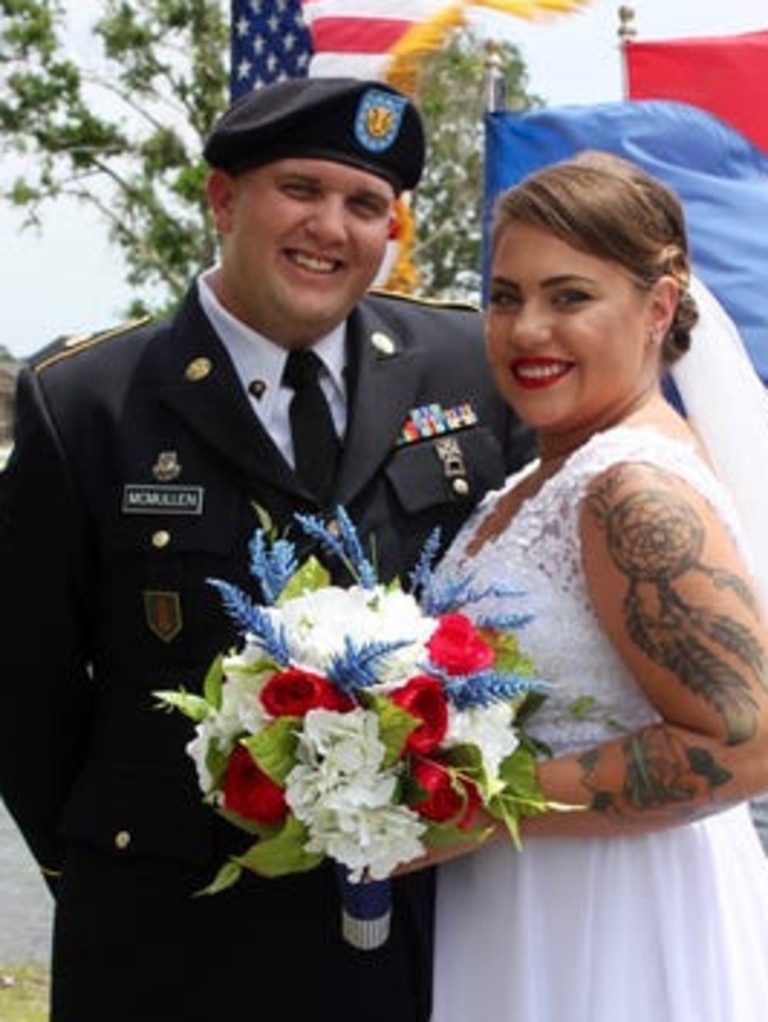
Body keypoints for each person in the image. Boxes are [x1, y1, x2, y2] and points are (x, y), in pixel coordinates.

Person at [0, 77, 533, 1022]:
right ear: (222, 198)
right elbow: (24, 685)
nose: (332, 226)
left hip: (428, 935)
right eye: (301, 189)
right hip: (173, 938)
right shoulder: (86, 398)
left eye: (366, 204)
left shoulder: (466, 366)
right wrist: (96, 869)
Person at [415, 151, 768, 1021]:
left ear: (656, 306)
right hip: (517, 902)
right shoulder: (534, 482)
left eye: (569, 297)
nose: (526, 329)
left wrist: (480, 807)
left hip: (614, 918)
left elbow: (745, 742)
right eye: (505, 297)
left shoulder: (629, 490)